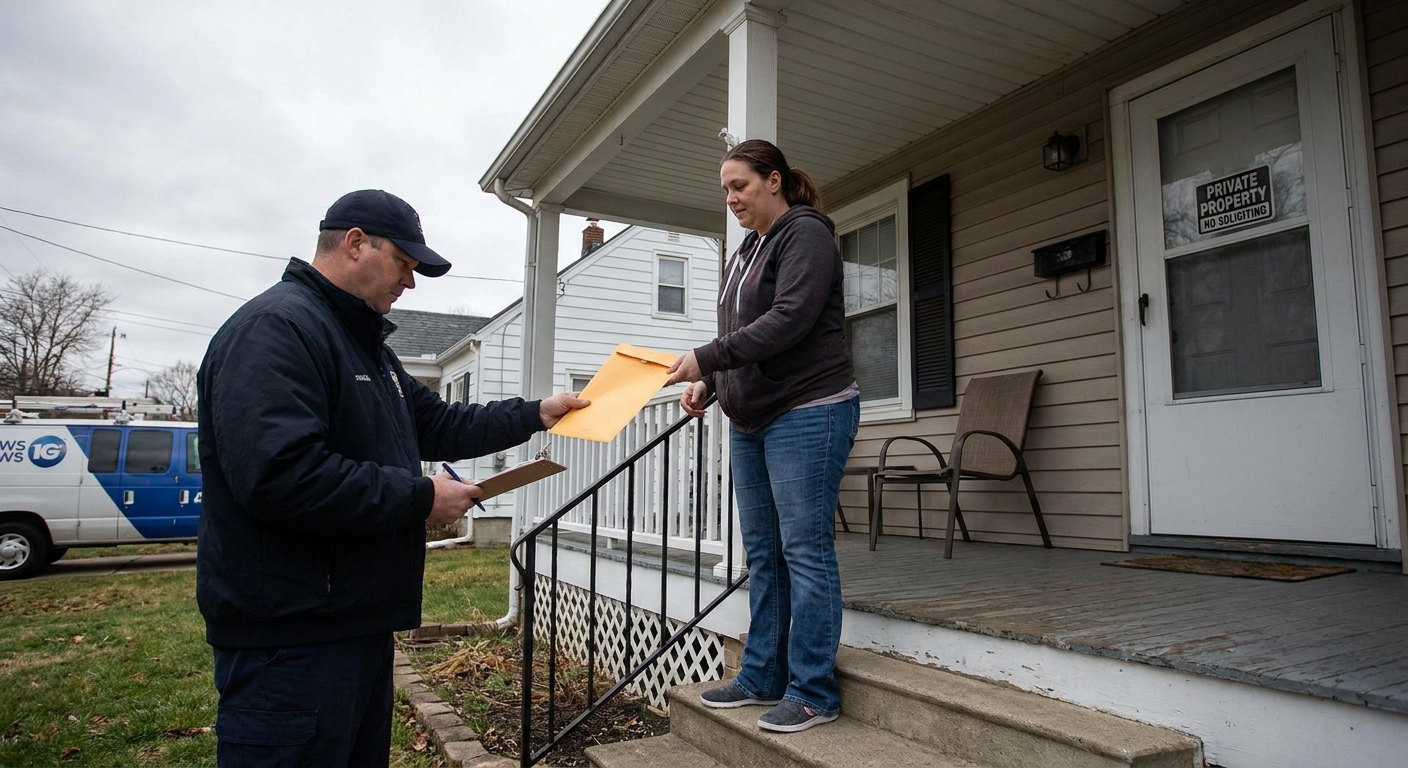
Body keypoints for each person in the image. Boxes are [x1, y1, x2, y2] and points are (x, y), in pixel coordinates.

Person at [195, 189, 587, 766]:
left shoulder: (367, 348)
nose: (410, 282)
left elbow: (443, 424)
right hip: (290, 638)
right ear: (356, 243)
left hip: (353, 622)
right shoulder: (277, 329)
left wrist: (535, 414)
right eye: (405, 263)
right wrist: (421, 496)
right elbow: (281, 475)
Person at [664, 139, 858, 733]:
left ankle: (814, 691)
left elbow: (789, 321)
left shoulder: (807, 234)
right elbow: (745, 333)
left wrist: (704, 358)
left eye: (739, 186)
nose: (731, 199)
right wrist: (714, 382)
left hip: (809, 410)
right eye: (725, 190)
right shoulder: (748, 249)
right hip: (751, 418)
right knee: (763, 554)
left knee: (804, 550)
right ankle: (762, 674)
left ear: (773, 180)